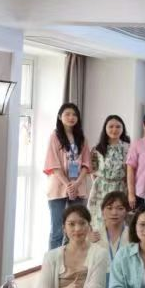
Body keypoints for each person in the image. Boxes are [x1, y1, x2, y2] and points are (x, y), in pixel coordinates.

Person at [33, 206, 108, 288]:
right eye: (71, 224)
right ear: (64, 228)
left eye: (82, 223)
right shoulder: (51, 256)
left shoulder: (100, 254)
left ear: (89, 226)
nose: (77, 229)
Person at [44, 102, 91, 249]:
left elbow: (86, 164)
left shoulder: (82, 138)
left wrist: (76, 184)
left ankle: (72, 259)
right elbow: (53, 163)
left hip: (78, 186)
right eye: (67, 114)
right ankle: (54, 261)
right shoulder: (55, 136)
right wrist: (68, 185)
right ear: (60, 117)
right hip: (58, 187)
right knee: (57, 230)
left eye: (74, 114)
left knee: (76, 229)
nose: (71, 117)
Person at [88, 114, 130, 231]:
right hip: (101, 188)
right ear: (105, 128)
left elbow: (129, 171)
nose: (114, 130)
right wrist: (97, 183)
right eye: (111, 126)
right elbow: (93, 170)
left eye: (118, 127)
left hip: (120, 188)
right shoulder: (97, 149)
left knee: (119, 222)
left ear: (122, 129)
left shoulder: (128, 148)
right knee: (99, 222)